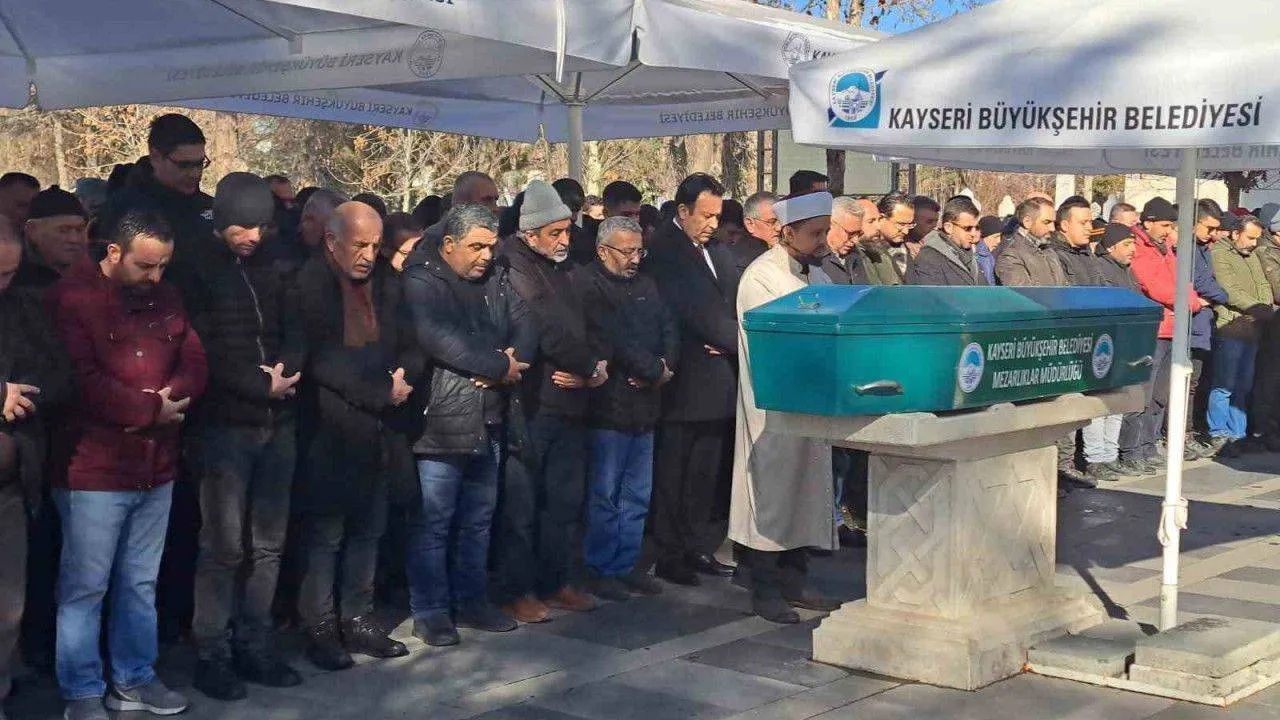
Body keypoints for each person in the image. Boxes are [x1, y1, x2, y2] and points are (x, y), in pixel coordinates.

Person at [47, 208, 206, 720]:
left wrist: (171, 399)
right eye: (145, 265)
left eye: (162, 266)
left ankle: (135, 677)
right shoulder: (71, 299)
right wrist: (148, 410)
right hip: (93, 470)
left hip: (156, 465)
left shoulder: (168, 296)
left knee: (140, 583)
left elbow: (193, 358)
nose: (155, 276)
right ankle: (81, 691)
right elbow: (80, 379)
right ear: (113, 252)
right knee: (85, 588)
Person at [174, 173, 306, 701]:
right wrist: (257, 383)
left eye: (261, 227)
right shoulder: (193, 267)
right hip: (223, 424)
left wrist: (286, 372)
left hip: (278, 419)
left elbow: (296, 327)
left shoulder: (276, 263)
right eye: (242, 227)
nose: (253, 236)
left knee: (268, 544)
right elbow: (200, 346)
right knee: (223, 546)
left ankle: (256, 641)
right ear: (222, 221)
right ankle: (213, 649)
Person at [402, 204, 534, 646]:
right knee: (434, 522)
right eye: (476, 247)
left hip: (490, 414)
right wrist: (496, 364)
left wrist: (510, 363)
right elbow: (436, 338)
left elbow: (526, 323)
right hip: (442, 419)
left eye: (490, 246)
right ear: (449, 244)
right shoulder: (422, 278)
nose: (485, 256)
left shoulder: (496, 276)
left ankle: (472, 600)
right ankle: (431, 610)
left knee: (478, 520)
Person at [294, 202, 419, 670]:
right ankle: (320, 625)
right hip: (329, 429)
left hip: (381, 427)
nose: (368, 255)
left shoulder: (387, 281)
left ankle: (358, 617)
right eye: (358, 245)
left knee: (369, 529)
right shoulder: (310, 284)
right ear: (332, 242)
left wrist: (404, 376)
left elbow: (411, 338)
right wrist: (380, 390)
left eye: (374, 245)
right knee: (326, 536)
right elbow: (321, 359)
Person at [731, 191, 840, 625]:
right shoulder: (762, 277)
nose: (822, 240)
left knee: (807, 492)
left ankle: (795, 578)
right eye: (814, 233)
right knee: (771, 493)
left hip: (813, 399)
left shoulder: (820, 276)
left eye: (825, 231)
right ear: (788, 232)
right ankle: (764, 587)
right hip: (773, 404)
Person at [497, 179, 603, 621]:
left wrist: (596, 367)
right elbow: (544, 327)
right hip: (532, 403)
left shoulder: (564, 268)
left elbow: (589, 322)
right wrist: (588, 365)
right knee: (522, 505)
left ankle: (557, 580)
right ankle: (517, 589)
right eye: (554, 233)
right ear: (530, 233)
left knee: (564, 501)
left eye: (566, 231)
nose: (564, 240)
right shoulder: (513, 265)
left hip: (571, 400)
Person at [574, 216, 677, 601]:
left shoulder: (647, 284)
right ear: (603, 251)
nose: (635, 259)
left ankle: (626, 563)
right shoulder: (588, 284)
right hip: (609, 405)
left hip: (646, 405)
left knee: (637, 494)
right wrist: (652, 370)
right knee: (605, 493)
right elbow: (613, 338)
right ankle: (600, 568)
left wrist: (665, 367)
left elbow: (669, 328)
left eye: (639, 251)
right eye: (627, 251)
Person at [644, 174, 739, 586]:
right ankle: (669, 553)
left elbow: (730, 300)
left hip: (717, 381)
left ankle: (696, 545)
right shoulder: (665, 250)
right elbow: (695, 311)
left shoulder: (716, 250)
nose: (713, 224)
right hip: (684, 382)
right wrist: (739, 341)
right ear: (683, 211)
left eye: (717, 216)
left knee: (704, 472)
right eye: (706, 215)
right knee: (674, 474)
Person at [0, 220, 72, 720]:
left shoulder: (24, 307)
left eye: (8, 273)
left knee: (8, 608)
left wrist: (22, 395)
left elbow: (59, 374)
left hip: (11, 482)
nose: (1, 283)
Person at [1130, 196, 1205, 475]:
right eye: (1164, 225)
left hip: (1174, 328)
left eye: (1171, 226)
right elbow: (1156, 287)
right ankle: (1134, 449)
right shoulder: (1140, 249)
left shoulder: (1167, 250)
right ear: (1148, 222)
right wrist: (1190, 302)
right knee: (1145, 394)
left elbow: (1183, 281)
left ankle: (1149, 445)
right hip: (1155, 330)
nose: (1168, 231)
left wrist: (1191, 300)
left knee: (1161, 395)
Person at [97, 115, 213, 264]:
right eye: (184, 165)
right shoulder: (123, 208)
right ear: (156, 157)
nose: (195, 173)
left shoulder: (209, 207)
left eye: (200, 163)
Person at [1208, 215, 1271, 457]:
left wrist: (1263, 308)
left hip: (1253, 328)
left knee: (1243, 385)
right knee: (1224, 384)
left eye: (1257, 239)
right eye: (1250, 238)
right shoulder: (1220, 254)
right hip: (1231, 327)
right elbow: (1229, 290)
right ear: (1235, 233)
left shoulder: (1251, 255)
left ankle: (1238, 433)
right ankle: (1219, 433)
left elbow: (1263, 284)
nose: (1254, 243)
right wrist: (1258, 308)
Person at [1093, 224, 1147, 478]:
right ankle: (1095, 458)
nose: (1133, 250)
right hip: (1106, 342)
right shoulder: (1101, 268)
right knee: (1099, 405)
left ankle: (1110, 455)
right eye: (1127, 244)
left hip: (1126, 341)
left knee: (1117, 404)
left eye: (1133, 244)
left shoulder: (1128, 271)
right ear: (1111, 247)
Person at [1185, 201, 1230, 460]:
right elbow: (1202, 283)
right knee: (1188, 385)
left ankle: (1191, 432)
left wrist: (1215, 295)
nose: (1213, 235)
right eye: (1209, 228)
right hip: (1192, 327)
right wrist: (1222, 295)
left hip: (1204, 324)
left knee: (1197, 383)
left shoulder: (1203, 249)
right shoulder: (1189, 250)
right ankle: (1182, 434)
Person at [14, 186, 89, 289]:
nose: (74, 239)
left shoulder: (94, 274)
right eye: (63, 230)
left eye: (80, 230)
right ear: (32, 231)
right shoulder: (12, 281)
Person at [905, 196, 987, 286]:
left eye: (977, 228)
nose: (973, 233)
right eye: (967, 228)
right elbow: (933, 294)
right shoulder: (929, 257)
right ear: (948, 227)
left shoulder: (968, 254)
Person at [995, 197, 1064, 286]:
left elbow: (1064, 287)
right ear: (1027, 221)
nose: (1052, 228)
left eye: (1054, 223)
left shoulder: (1049, 251)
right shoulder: (1010, 255)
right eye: (1047, 222)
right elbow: (1022, 292)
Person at [1049, 199, 1104, 287]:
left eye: (1090, 222)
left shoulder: (1088, 254)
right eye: (1083, 223)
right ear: (1065, 225)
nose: (1090, 228)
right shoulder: (1052, 256)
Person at [820, 196, 866, 285]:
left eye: (859, 233)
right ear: (830, 225)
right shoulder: (813, 261)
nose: (855, 240)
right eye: (851, 233)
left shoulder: (856, 255)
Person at [736, 191, 779, 269]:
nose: (779, 228)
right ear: (749, 224)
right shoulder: (743, 263)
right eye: (771, 222)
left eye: (781, 221)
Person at [905, 195, 940, 259]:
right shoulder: (900, 250)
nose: (935, 226)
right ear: (911, 222)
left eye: (936, 221)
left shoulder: (936, 243)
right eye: (929, 222)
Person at [976, 215, 1003, 284]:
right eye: (995, 237)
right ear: (984, 235)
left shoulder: (989, 255)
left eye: (1000, 236)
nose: (999, 241)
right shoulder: (978, 256)